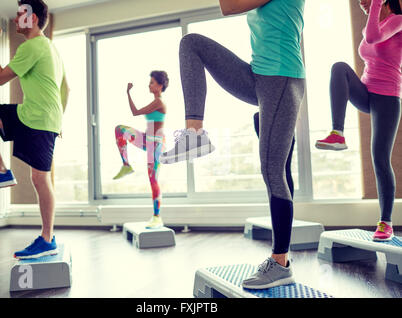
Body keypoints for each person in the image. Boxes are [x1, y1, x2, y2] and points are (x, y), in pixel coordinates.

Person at [160, 0, 306, 289]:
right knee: (191, 44)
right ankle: (194, 133)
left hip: (280, 77)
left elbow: (229, 6)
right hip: (259, 75)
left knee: (273, 170)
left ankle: (280, 263)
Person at [0, 0, 69, 259]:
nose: (15, 19)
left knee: (40, 179)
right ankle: (0, 170)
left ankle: (47, 239)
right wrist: (59, 120)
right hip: (32, 114)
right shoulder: (51, 48)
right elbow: (65, 89)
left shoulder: (33, 45)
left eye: (20, 14)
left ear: (33, 18)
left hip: (38, 119)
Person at [316, 0, 401, 241]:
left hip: (387, 99)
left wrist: (375, 3)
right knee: (339, 68)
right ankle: (337, 133)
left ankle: (385, 223)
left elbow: (374, 38)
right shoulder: (372, 23)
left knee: (380, 159)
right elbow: (371, 36)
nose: (362, 3)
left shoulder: (398, 20)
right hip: (366, 92)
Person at [113, 71, 169, 229]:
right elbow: (135, 112)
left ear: (160, 85)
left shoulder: (159, 102)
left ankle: (157, 217)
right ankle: (126, 165)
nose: (149, 85)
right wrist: (128, 93)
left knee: (153, 179)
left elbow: (136, 112)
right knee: (120, 130)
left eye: (152, 82)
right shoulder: (155, 102)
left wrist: (128, 93)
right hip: (147, 139)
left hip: (157, 143)